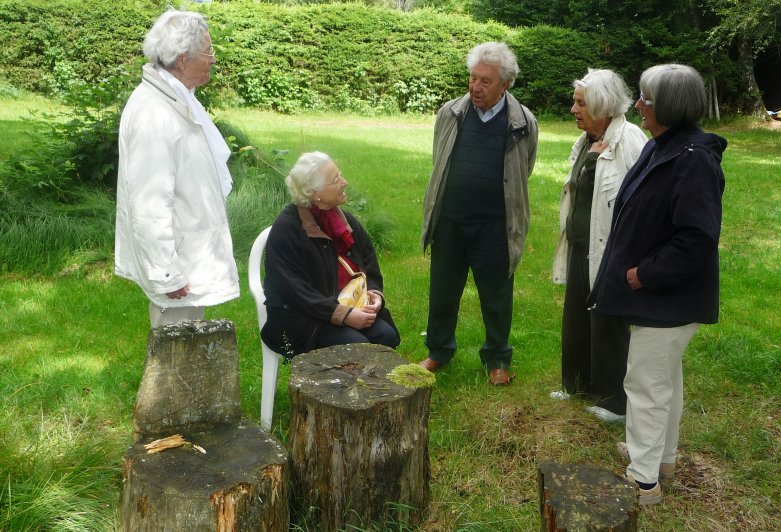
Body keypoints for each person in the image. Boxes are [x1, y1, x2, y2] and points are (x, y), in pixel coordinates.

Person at [589, 64, 726, 505]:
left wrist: (644, 273)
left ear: (668, 106)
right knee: (664, 378)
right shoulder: (665, 145)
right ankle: (660, 456)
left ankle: (643, 480)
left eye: (646, 99)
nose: (640, 106)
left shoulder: (693, 160)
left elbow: (696, 239)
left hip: (666, 296)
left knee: (646, 383)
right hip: (659, 296)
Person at [419, 42, 538, 386]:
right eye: (473, 78)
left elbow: (522, 169)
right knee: (443, 290)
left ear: (505, 85)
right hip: (450, 221)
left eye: (485, 81)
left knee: (497, 295)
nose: (475, 87)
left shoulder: (523, 122)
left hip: (495, 225)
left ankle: (497, 358)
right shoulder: (450, 113)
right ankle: (439, 350)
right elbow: (439, 160)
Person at [115, 10, 238, 328]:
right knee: (174, 358)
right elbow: (148, 204)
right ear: (183, 59)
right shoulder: (154, 114)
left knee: (185, 353)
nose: (212, 60)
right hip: (176, 265)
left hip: (187, 256)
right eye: (208, 51)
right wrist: (166, 273)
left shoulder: (175, 100)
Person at [551, 69, 647, 422]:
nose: (573, 109)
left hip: (611, 249)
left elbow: (643, 199)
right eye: (575, 102)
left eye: (580, 103)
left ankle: (613, 402)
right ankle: (575, 385)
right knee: (576, 315)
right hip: (581, 244)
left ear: (602, 105)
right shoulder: (589, 138)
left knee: (607, 321)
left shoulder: (630, 139)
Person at [261, 152, 400, 357]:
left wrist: (374, 294)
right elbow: (294, 291)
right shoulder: (287, 229)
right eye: (335, 180)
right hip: (302, 319)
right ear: (314, 192)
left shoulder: (345, 220)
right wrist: (343, 315)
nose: (344, 182)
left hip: (349, 304)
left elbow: (369, 261)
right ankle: (340, 388)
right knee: (357, 345)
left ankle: (370, 388)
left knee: (385, 336)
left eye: (340, 175)